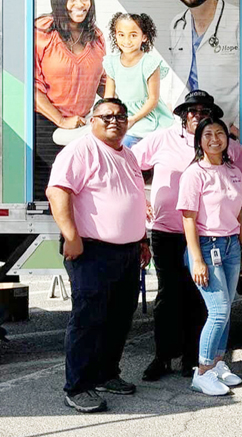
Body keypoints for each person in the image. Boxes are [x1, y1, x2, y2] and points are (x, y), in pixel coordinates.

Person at [133, 90, 242, 382]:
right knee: (169, 296)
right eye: (192, 110)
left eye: (204, 111)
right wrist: (140, 198)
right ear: (182, 114)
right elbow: (128, 164)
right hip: (168, 232)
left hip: (207, 238)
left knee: (201, 301)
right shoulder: (162, 139)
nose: (197, 115)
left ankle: (193, 358)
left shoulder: (225, 145)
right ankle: (163, 357)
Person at [47, 98, 150, 413]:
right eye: (106, 116)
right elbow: (58, 191)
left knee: (119, 318)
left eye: (120, 116)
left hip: (128, 252)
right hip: (92, 250)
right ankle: (78, 387)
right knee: (88, 321)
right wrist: (71, 237)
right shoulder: (81, 151)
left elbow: (133, 199)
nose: (114, 121)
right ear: (93, 120)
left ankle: (107, 374)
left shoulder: (129, 156)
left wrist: (142, 240)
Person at [177, 117, 242, 396]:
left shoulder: (233, 171)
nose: (215, 138)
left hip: (231, 245)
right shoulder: (194, 174)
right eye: (208, 134)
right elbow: (188, 220)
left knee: (227, 308)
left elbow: (241, 215)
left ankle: (218, 364)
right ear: (199, 141)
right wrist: (197, 259)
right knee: (218, 311)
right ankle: (203, 371)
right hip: (207, 246)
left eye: (220, 133)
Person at [34, 0, 106, 200]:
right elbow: (32, 87)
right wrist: (62, 121)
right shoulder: (42, 32)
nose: (79, 5)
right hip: (45, 128)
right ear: (59, 0)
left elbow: (103, 81)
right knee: (50, 196)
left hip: (80, 128)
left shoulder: (96, 36)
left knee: (80, 195)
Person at [169, 0, 240, 135]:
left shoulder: (239, 21)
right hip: (188, 129)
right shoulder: (177, 24)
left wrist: (238, 126)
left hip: (227, 129)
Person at [103, 12, 174, 147]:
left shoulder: (149, 63)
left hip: (146, 115)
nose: (127, 41)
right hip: (123, 113)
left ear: (144, 37)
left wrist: (133, 119)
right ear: (115, 35)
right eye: (121, 34)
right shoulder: (112, 62)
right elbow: (109, 96)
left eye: (133, 35)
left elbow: (153, 99)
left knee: (126, 143)